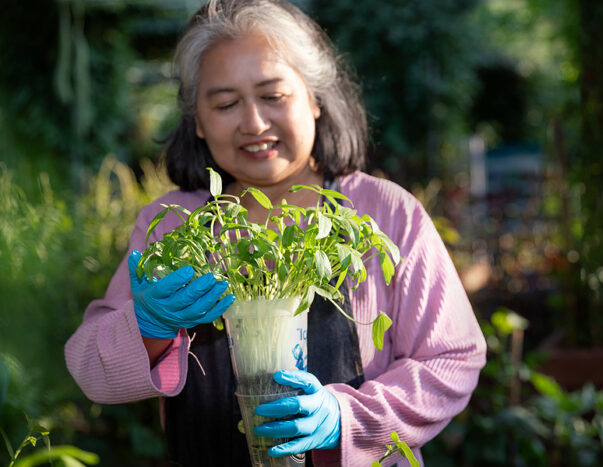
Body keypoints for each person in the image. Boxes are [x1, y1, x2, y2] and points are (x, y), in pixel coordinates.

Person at [64, 0, 486, 465]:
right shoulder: (171, 224)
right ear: (198, 122)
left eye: (273, 96)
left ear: (315, 99)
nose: (254, 123)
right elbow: (89, 367)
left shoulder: (385, 213)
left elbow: (452, 360)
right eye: (225, 104)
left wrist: (346, 417)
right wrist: (146, 328)